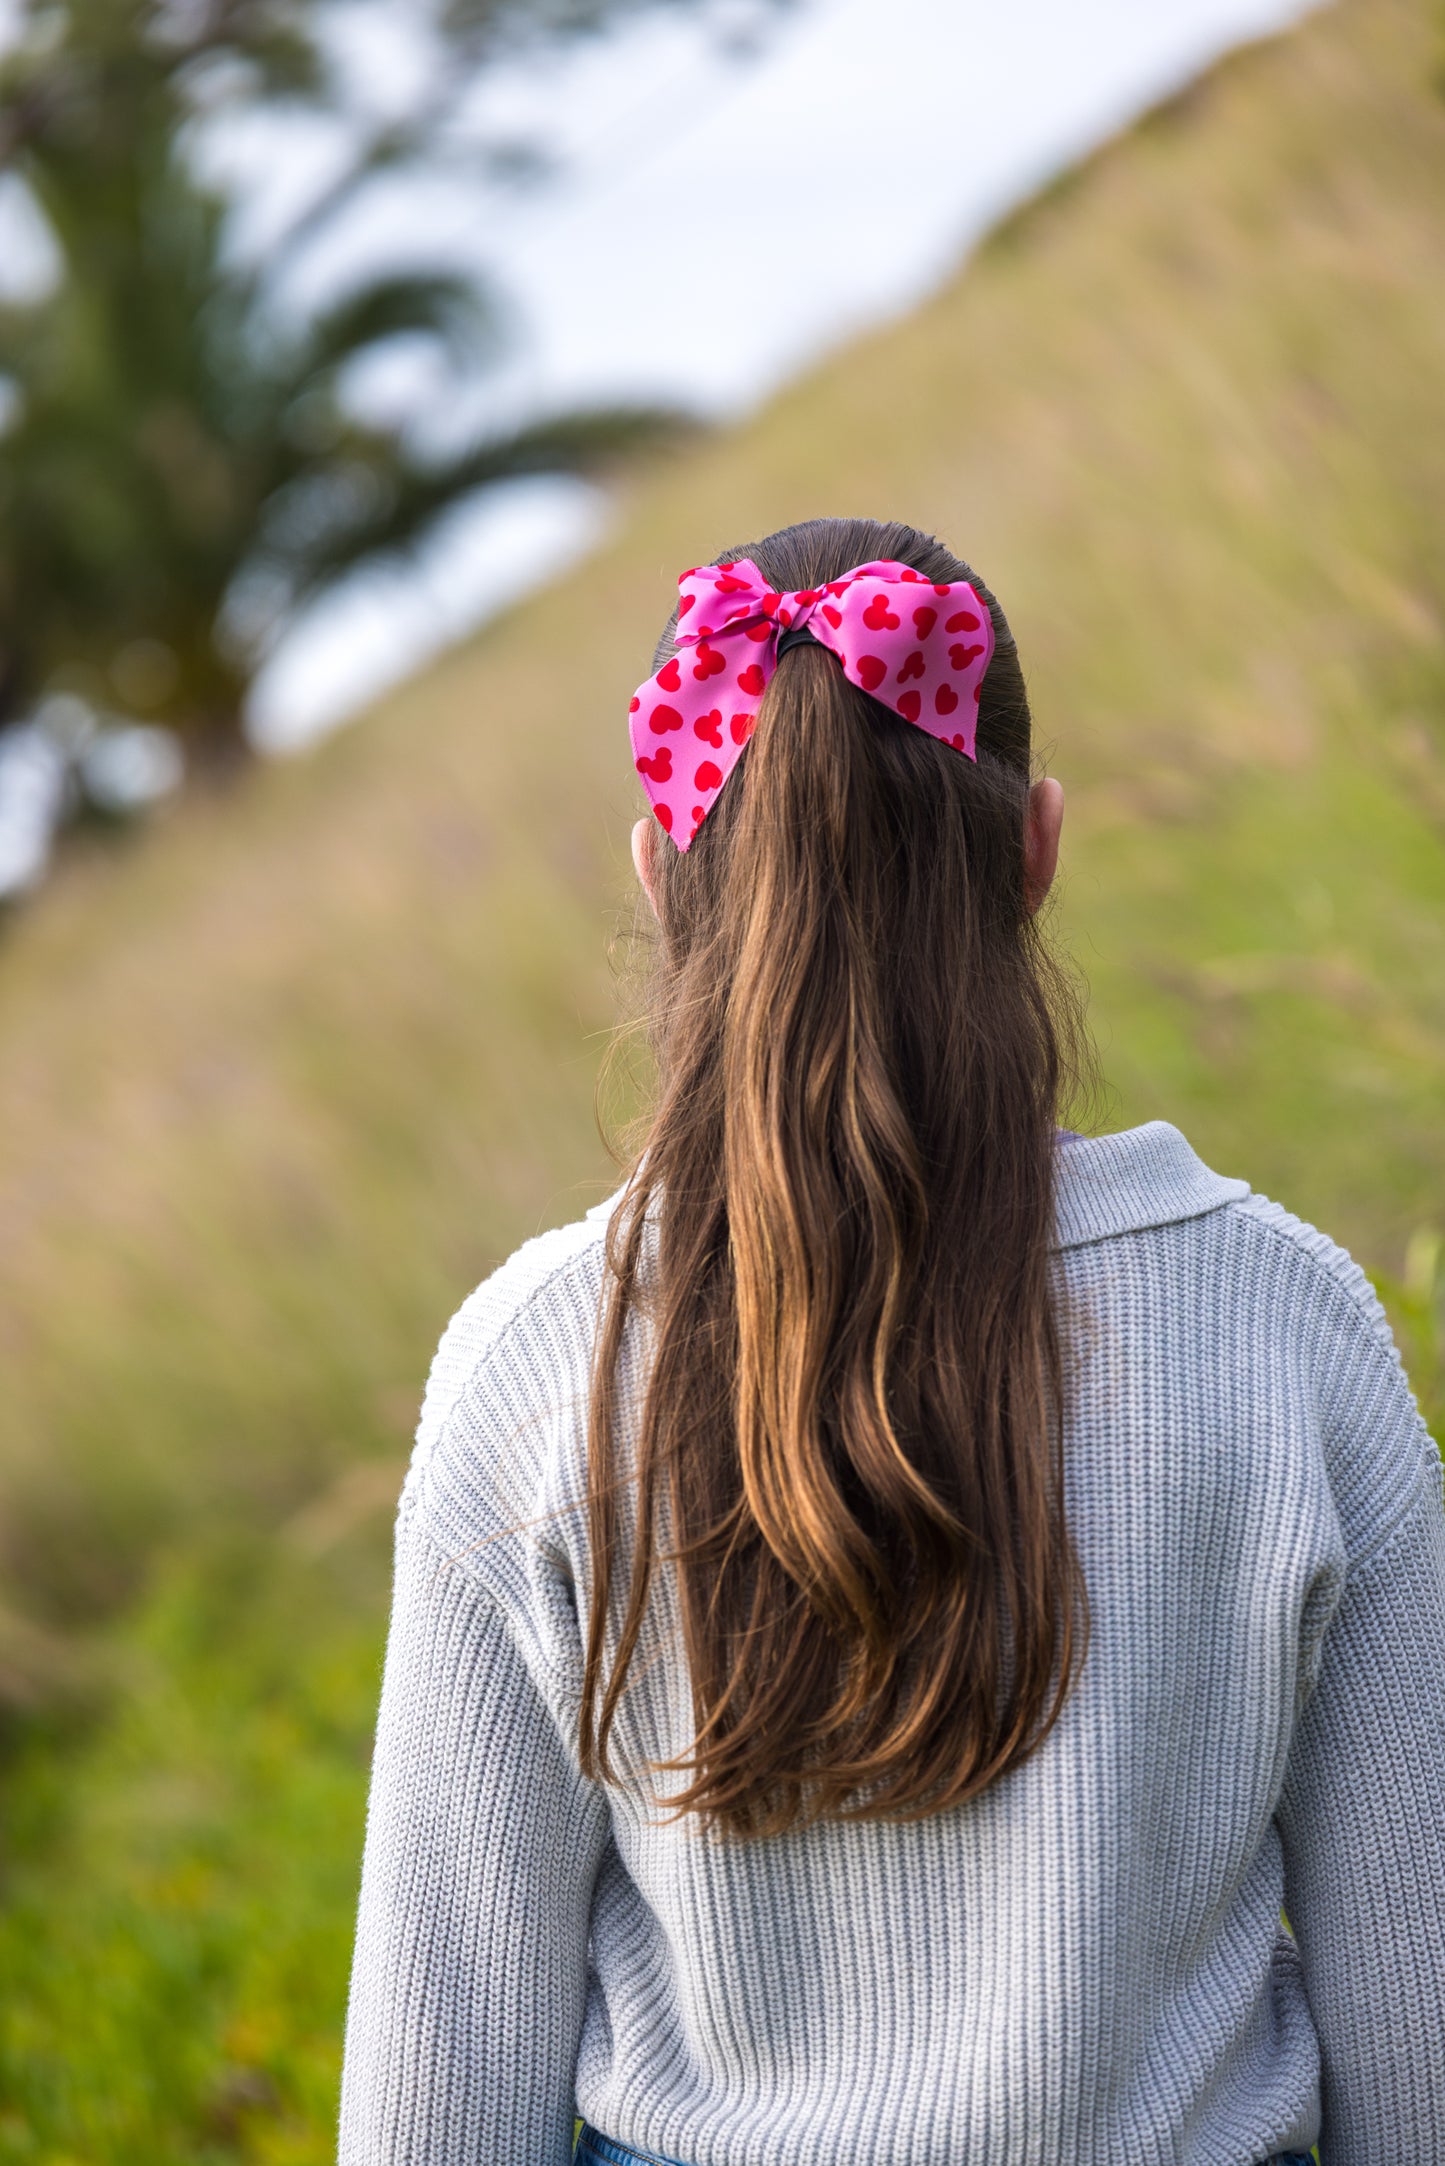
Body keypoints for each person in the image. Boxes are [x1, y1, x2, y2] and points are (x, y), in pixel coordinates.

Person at [337, 517, 1445, 2166]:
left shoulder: (531, 1372)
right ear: (1036, 850)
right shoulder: (1283, 1323)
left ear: (658, 871)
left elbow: (439, 2102)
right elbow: (1415, 2032)